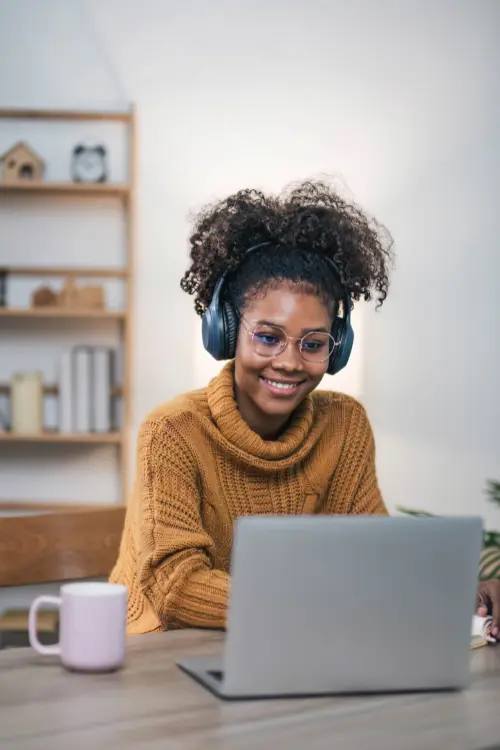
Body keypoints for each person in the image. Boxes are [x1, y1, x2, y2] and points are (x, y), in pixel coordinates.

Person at [110, 179, 500, 636]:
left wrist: (459, 592)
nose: (290, 362)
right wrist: (318, 603)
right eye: (268, 337)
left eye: (313, 343)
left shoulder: (344, 425)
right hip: (162, 659)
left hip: (292, 646)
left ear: (337, 349)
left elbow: (376, 554)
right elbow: (175, 588)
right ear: (226, 330)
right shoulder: (172, 431)